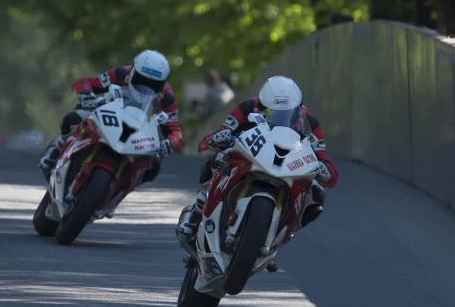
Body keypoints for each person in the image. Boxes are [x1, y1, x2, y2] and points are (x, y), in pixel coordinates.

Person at [176, 75, 338, 245]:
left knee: (317, 193)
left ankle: (286, 231)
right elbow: (213, 138)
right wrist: (220, 137)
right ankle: (197, 211)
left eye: (287, 111)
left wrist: (322, 168)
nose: (278, 115)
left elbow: (327, 166)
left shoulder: (310, 122)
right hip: (249, 157)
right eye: (270, 110)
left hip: (288, 165)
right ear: (261, 104)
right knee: (218, 159)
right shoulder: (247, 107)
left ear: (298, 108)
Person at [38, 49, 184, 182]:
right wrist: (87, 96)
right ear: (133, 72)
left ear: (162, 83)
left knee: (154, 165)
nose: (145, 87)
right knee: (73, 119)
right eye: (141, 80)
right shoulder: (121, 73)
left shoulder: (167, 96)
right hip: (109, 117)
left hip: (139, 133)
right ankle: (56, 150)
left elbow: (174, 130)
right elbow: (86, 82)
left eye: (153, 85)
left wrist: (170, 143)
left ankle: (119, 189)